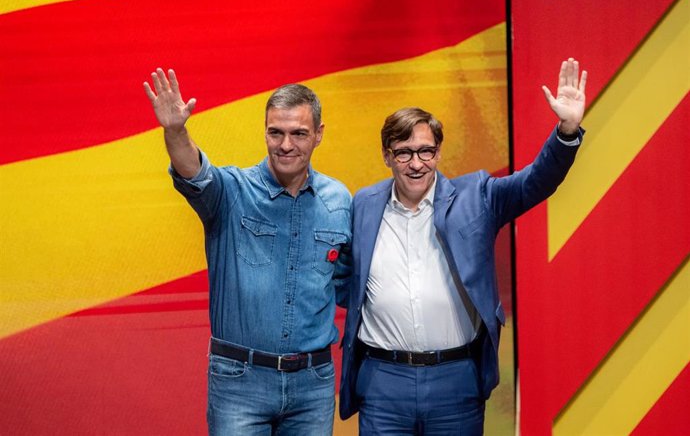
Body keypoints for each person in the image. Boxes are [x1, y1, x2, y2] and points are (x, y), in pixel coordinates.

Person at [338, 58, 588, 434]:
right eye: (404, 152)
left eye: (425, 151)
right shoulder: (362, 205)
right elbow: (342, 273)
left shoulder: (477, 196)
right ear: (387, 156)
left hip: (455, 379)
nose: (416, 163)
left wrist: (566, 131)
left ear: (438, 153)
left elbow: (535, 182)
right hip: (382, 380)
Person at [144, 69, 351, 435]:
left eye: (299, 133)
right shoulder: (231, 192)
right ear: (266, 132)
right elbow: (194, 171)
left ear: (319, 135)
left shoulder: (340, 201)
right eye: (276, 132)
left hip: (313, 385)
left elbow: (348, 281)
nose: (286, 145)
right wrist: (175, 131)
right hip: (240, 381)